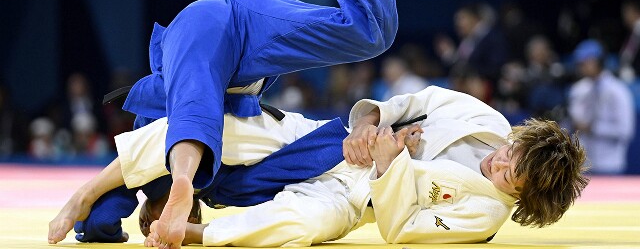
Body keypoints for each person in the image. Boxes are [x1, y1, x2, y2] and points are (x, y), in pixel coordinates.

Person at [48, 0, 410, 246]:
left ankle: (180, 183)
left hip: (213, 28)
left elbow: (101, 211)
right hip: (250, 63)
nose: (186, 220)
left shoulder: (143, 165)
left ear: (145, 217)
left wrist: (87, 202)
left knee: (191, 112)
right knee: (370, 33)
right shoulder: (229, 191)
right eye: (191, 218)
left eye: (158, 225)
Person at [110, 85, 588, 247]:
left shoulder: (483, 217)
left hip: (349, 198)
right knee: (232, 128)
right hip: (336, 143)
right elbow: (412, 101)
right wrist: (370, 125)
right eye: (510, 151)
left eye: (509, 174)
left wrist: (389, 166)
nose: (497, 161)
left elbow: (401, 228)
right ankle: (95, 189)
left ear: (525, 198)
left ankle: (195, 234)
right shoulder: (487, 120)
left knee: (300, 224)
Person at [567, 39, 636, 174]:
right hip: (583, 164)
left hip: (609, 164)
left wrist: (592, 128)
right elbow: (574, 122)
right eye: (580, 63)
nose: (581, 66)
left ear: (598, 61)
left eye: (586, 61)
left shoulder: (618, 91)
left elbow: (626, 130)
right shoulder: (579, 89)